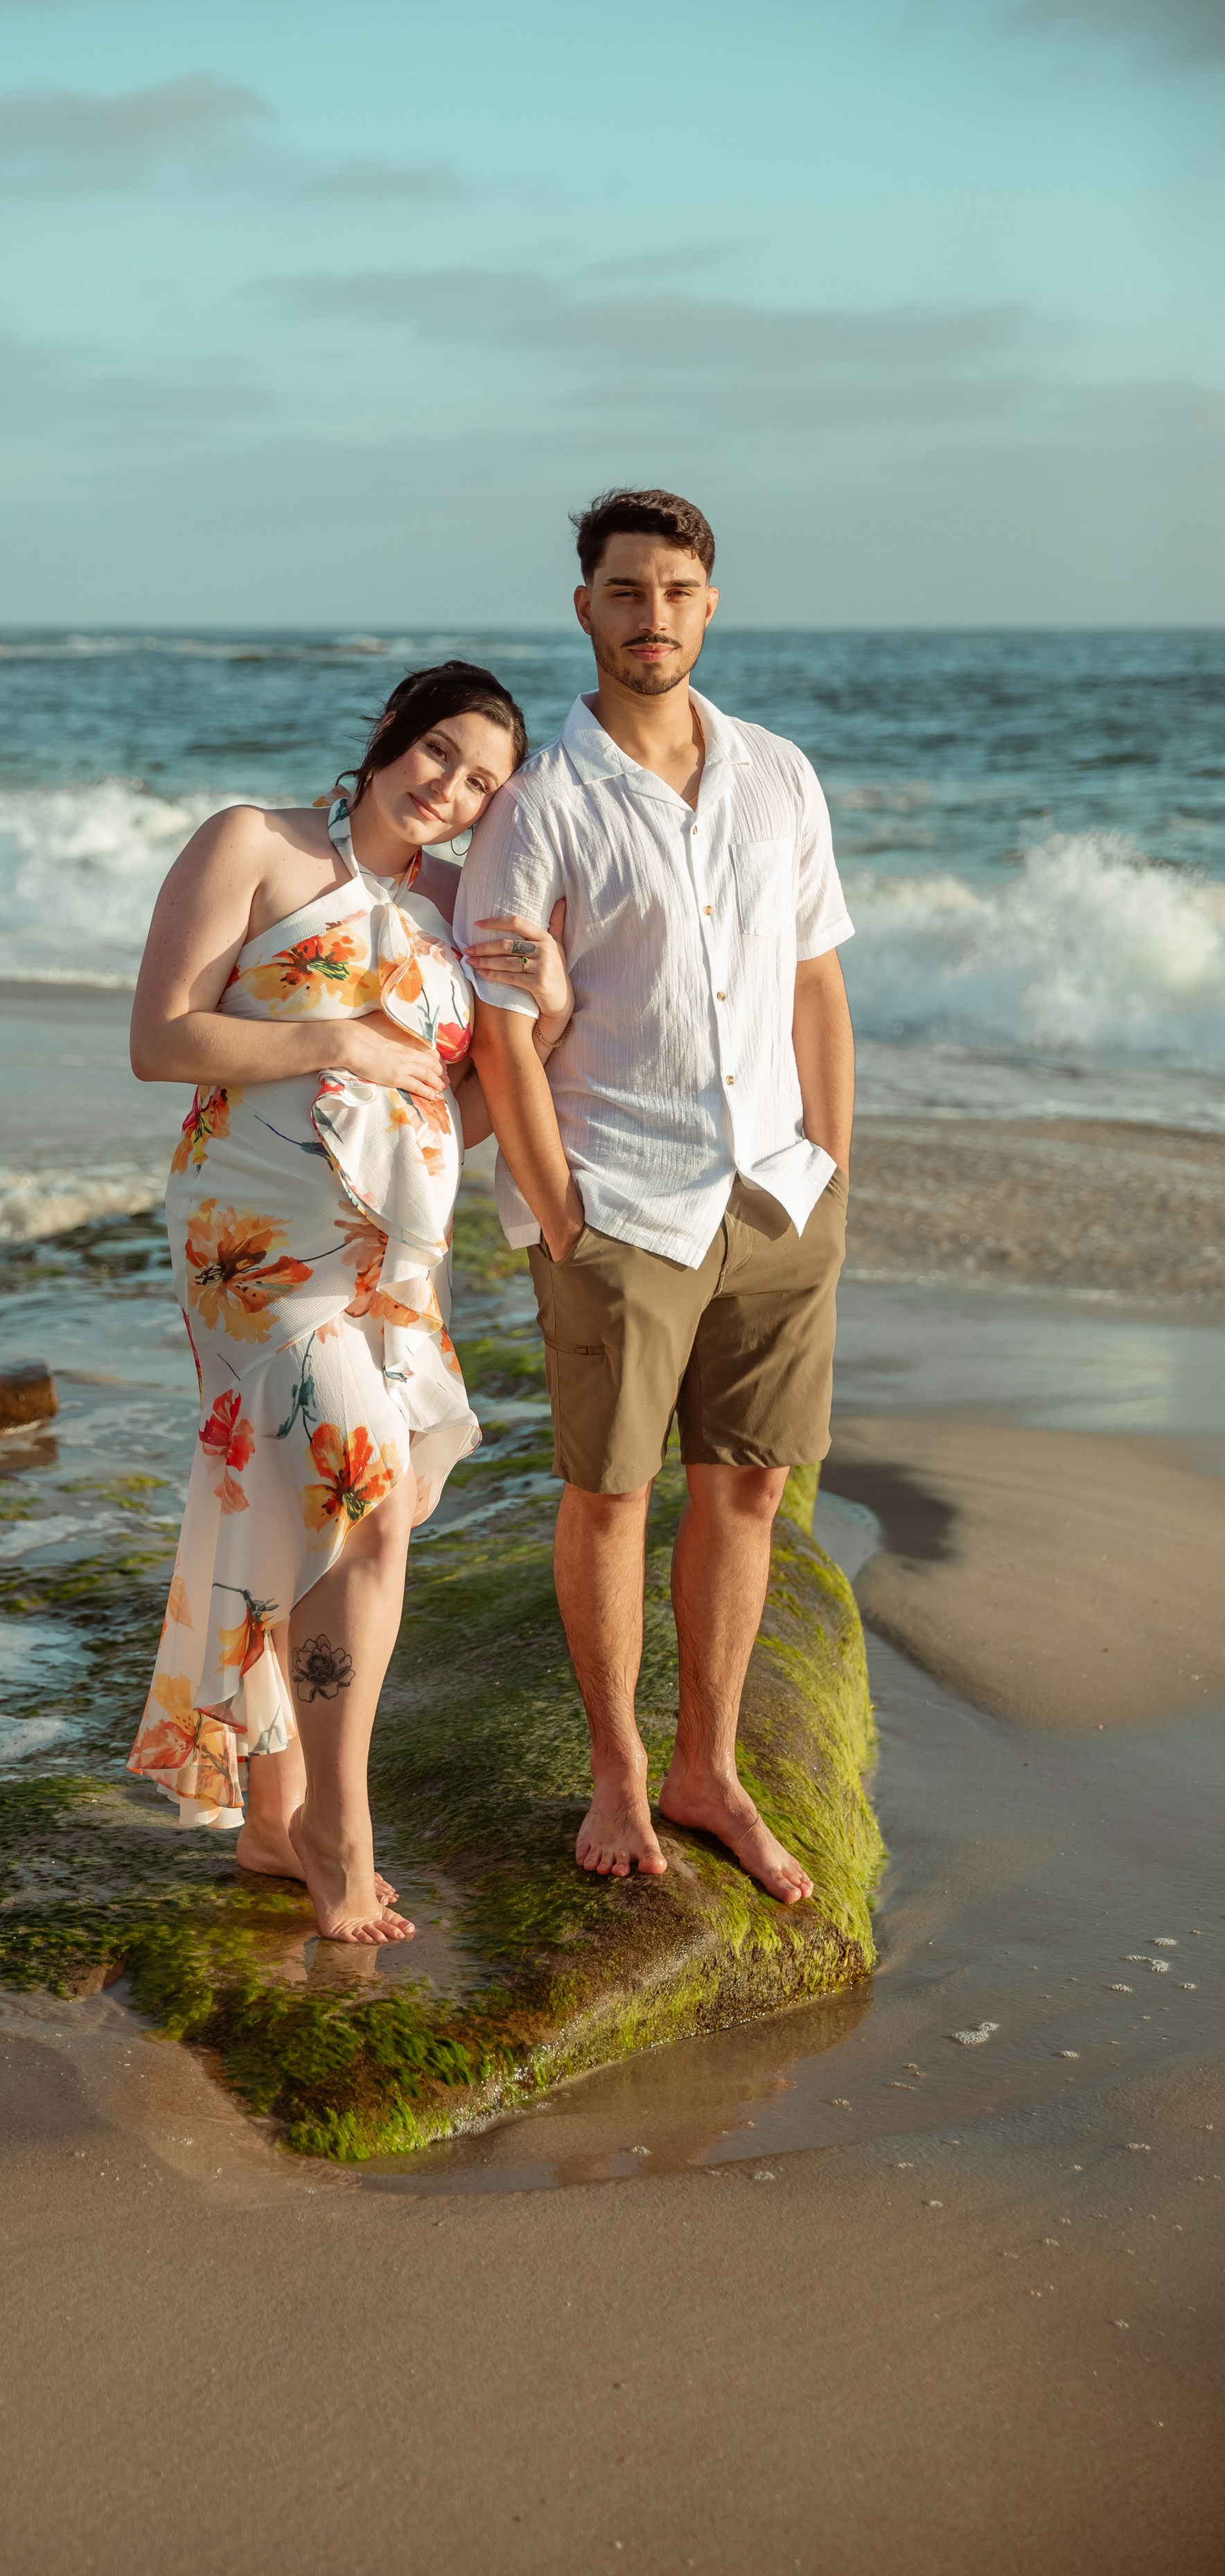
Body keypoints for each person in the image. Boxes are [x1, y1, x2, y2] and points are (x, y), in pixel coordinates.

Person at [126, 664, 576, 1944]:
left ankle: (272, 1821)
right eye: (438, 753)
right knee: (364, 1505)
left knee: (311, 1514)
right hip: (253, 1242)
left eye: (481, 784)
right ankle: (340, 1830)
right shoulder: (252, 846)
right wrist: (335, 1039)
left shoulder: (454, 913)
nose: (450, 791)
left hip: (390, 1262)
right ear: (389, 735)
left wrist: (544, 1017)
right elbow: (162, 1039)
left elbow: (456, 1113)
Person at [457, 489, 856, 1907]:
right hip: (619, 1198)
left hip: (773, 1194)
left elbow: (816, 983)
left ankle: (708, 1768)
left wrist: (827, 1169)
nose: (653, 617)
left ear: (709, 605)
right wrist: (559, 1214)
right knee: (612, 1492)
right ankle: (619, 1773)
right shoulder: (538, 805)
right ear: (585, 607)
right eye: (626, 591)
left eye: (677, 591)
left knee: (748, 1487)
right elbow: (502, 1032)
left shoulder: (777, 778)